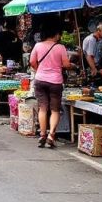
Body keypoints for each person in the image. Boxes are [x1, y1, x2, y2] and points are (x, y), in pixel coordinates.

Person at [29, 20, 72, 149]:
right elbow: (65, 64)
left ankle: (42, 134)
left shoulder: (38, 46)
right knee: (54, 110)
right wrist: (72, 65)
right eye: (59, 34)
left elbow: (32, 61)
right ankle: (51, 135)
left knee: (42, 108)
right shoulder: (60, 47)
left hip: (40, 80)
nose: (60, 36)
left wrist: (39, 70)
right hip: (55, 82)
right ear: (55, 34)